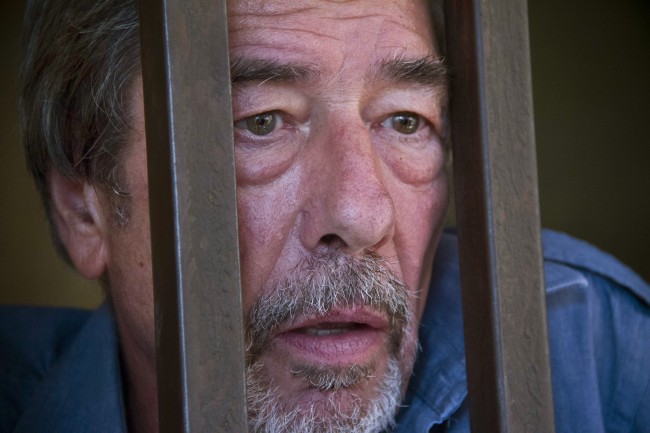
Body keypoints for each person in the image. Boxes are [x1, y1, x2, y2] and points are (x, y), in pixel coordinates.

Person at [1, 0, 648, 432]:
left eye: (405, 120)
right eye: (260, 122)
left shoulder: (581, 338)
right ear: (82, 211)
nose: (362, 214)